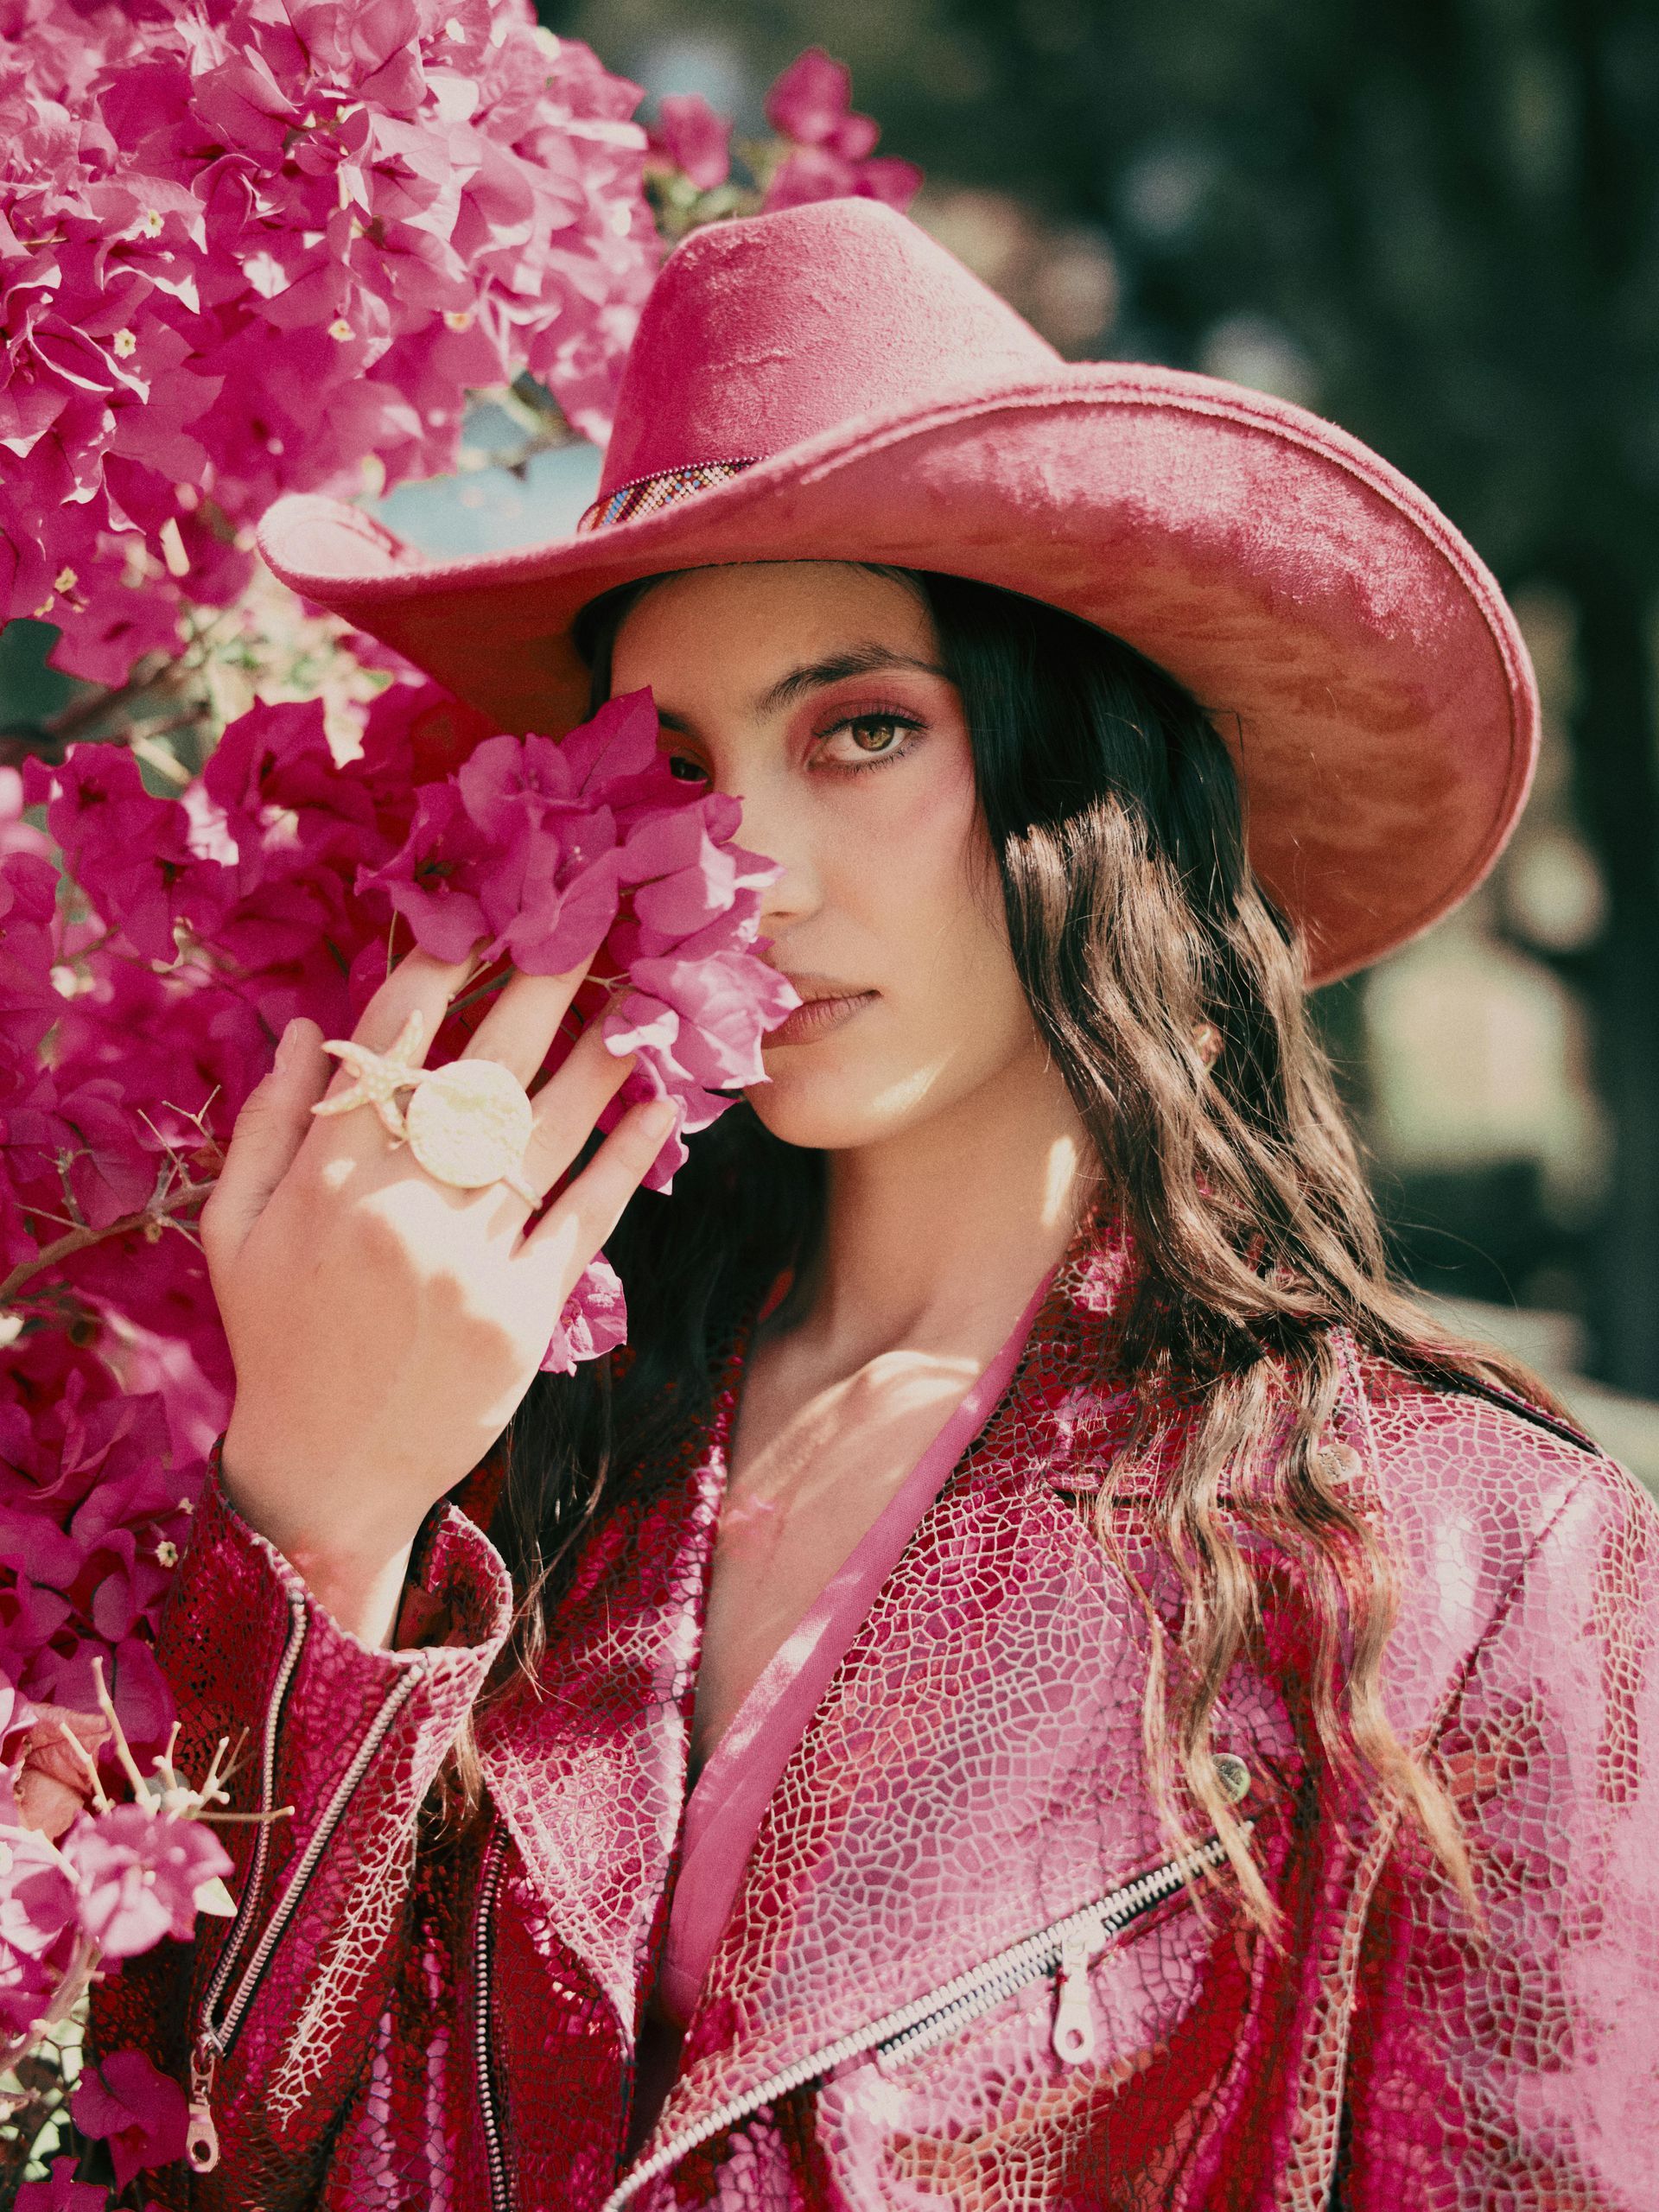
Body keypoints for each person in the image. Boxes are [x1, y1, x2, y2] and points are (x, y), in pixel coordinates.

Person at [100, 200, 1659, 2210]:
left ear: (1079, 770)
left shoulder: (1461, 1558)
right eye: (670, 762)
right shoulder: (507, 1436)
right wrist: (322, 1514)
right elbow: (194, 2166)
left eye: (862, 729)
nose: (742, 871)